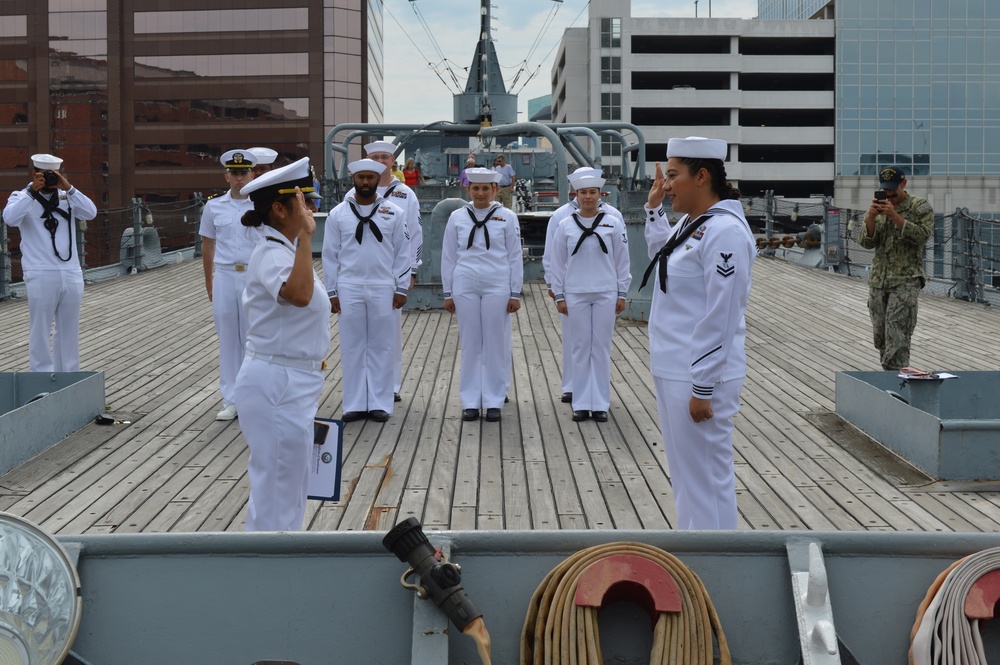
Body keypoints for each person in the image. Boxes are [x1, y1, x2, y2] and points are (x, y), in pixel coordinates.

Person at [640, 136, 755, 530]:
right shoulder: (695, 223)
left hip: (698, 375)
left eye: (672, 176)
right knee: (689, 478)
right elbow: (665, 258)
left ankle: (716, 566)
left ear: (702, 175)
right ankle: (696, 553)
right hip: (675, 366)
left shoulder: (725, 232)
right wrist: (655, 209)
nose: (666, 184)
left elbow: (722, 314)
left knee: (706, 478)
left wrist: (703, 388)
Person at [233, 157, 329, 532]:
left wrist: (302, 239)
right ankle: (267, 573)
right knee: (276, 488)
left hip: (292, 381)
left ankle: (281, 566)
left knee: (289, 485)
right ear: (278, 208)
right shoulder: (272, 253)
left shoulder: (285, 250)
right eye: (305, 202)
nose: (313, 208)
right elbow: (300, 295)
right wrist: (307, 236)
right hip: (278, 381)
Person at [323, 159, 410, 423]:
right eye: (360, 177)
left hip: (383, 284)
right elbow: (329, 255)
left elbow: (402, 253)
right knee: (352, 346)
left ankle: (380, 403)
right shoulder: (338, 214)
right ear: (353, 178)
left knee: (382, 346)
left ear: (377, 179)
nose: (365, 182)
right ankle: (354, 403)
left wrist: (401, 287)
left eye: (370, 178)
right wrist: (331, 291)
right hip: (349, 285)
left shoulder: (394, 212)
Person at [548, 169, 631, 423]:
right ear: (576, 194)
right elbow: (557, 263)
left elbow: (622, 260)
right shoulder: (565, 225)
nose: (587, 197)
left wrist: (622, 292)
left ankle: (600, 403)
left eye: (592, 192)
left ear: (599, 194)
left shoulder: (613, 222)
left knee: (601, 348)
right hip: (576, 294)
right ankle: (582, 403)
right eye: (583, 192)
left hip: (606, 292)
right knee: (581, 348)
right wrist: (559, 295)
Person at [441, 168, 523, 422]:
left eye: (486, 188)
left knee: (495, 343)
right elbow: (449, 256)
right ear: (468, 190)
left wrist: (515, 292)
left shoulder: (507, 217)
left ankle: (494, 399)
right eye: (476, 188)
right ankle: (470, 400)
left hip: (497, 282)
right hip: (465, 282)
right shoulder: (457, 217)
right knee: (470, 343)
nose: (480, 193)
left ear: (495, 190)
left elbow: (515, 255)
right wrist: (447, 292)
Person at [3, 153, 97, 372]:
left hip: (71, 270)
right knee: (40, 329)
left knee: (69, 329)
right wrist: (31, 192)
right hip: (40, 272)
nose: (48, 180)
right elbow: (9, 218)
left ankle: (68, 375)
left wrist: (69, 187)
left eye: (52, 175)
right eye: (44, 175)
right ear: (34, 173)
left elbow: (91, 213)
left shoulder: (67, 197)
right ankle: (41, 377)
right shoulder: (21, 196)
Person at [355, 140, 424, 403]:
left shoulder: (405, 194)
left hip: (392, 272)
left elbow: (415, 235)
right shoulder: (353, 195)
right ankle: (363, 384)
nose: (381, 161)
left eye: (385, 157)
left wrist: (411, 271)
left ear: (393, 162)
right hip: (360, 272)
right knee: (360, 333)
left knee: (390, 333)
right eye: (375, 157)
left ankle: (391, 384)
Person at [198, 149, 259, 421]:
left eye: (244, 173)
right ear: (226, 176)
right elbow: (207, 244)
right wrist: (209, 281)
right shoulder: (214, 207)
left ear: (253, 174)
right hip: (224, 275)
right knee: (228, 340)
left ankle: (253, 397)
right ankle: (231, 399)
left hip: (254, 275)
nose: (239, 178)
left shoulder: (262, 205)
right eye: (234, 174)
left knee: (253, 338)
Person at [858, 166, 934, 371]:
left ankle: (895, 380)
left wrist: (895, 216)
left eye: (893, 189)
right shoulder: (878, 207)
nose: (889, 194)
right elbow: (866, 242)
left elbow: (922, 236)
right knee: (881, 335)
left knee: (897, 332)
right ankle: (890, 375)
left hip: (905, 279)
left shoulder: (920, 207)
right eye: (885, 189)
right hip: (878, 280)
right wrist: (871, 218)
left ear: (904, 184)